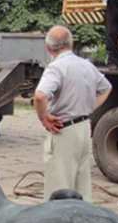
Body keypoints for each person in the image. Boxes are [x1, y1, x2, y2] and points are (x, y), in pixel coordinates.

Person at [34, 26, 112, 202]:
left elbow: (40, 96)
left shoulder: (56, 67)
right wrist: (89, 107)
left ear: (48, 48)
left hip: (64, 129)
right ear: (71, 43)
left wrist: (44, 117)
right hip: (83, 128)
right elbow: (106, 88)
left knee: (59, 187)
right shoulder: (86, 65)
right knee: (82, 184)